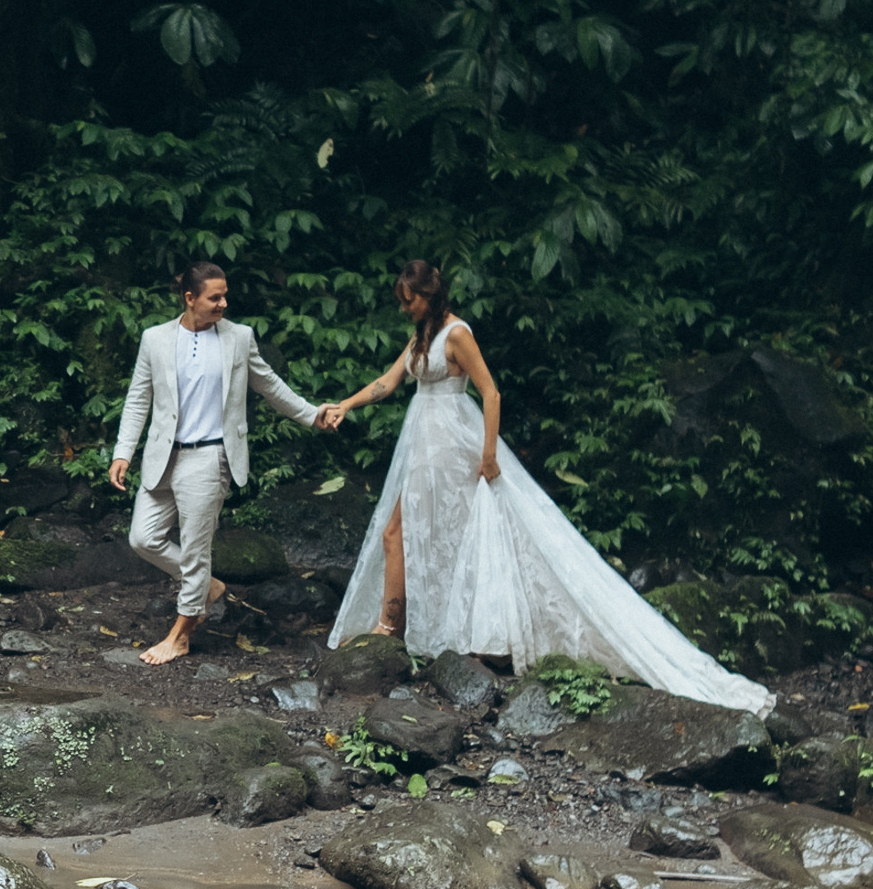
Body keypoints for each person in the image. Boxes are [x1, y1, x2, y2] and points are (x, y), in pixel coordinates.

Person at [322, 260, 772, 716]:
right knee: (397, 531)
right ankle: (391, 628)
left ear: (429, 295)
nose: (405, 308)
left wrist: (490, 455)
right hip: (421, 442)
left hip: (454, 442)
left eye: (410, 299)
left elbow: (491, 392)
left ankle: (417, 630)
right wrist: (347, 404)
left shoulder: (457, 333)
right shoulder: (422, 334)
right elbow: (389, 381)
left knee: (452, 533)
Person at [109, 264, 345, 665]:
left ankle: (181, 635)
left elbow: (269, 384)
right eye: (214, 297)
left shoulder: (239, 338)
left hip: (210, 456)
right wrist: (122, 451)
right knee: (142, 538)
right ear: (190, 299)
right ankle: (207, 588)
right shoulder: (155, 339)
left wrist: (311, 414)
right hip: (162, 456)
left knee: (196, 552)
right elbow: (138, 399)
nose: (224, 303)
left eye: (224, 295)